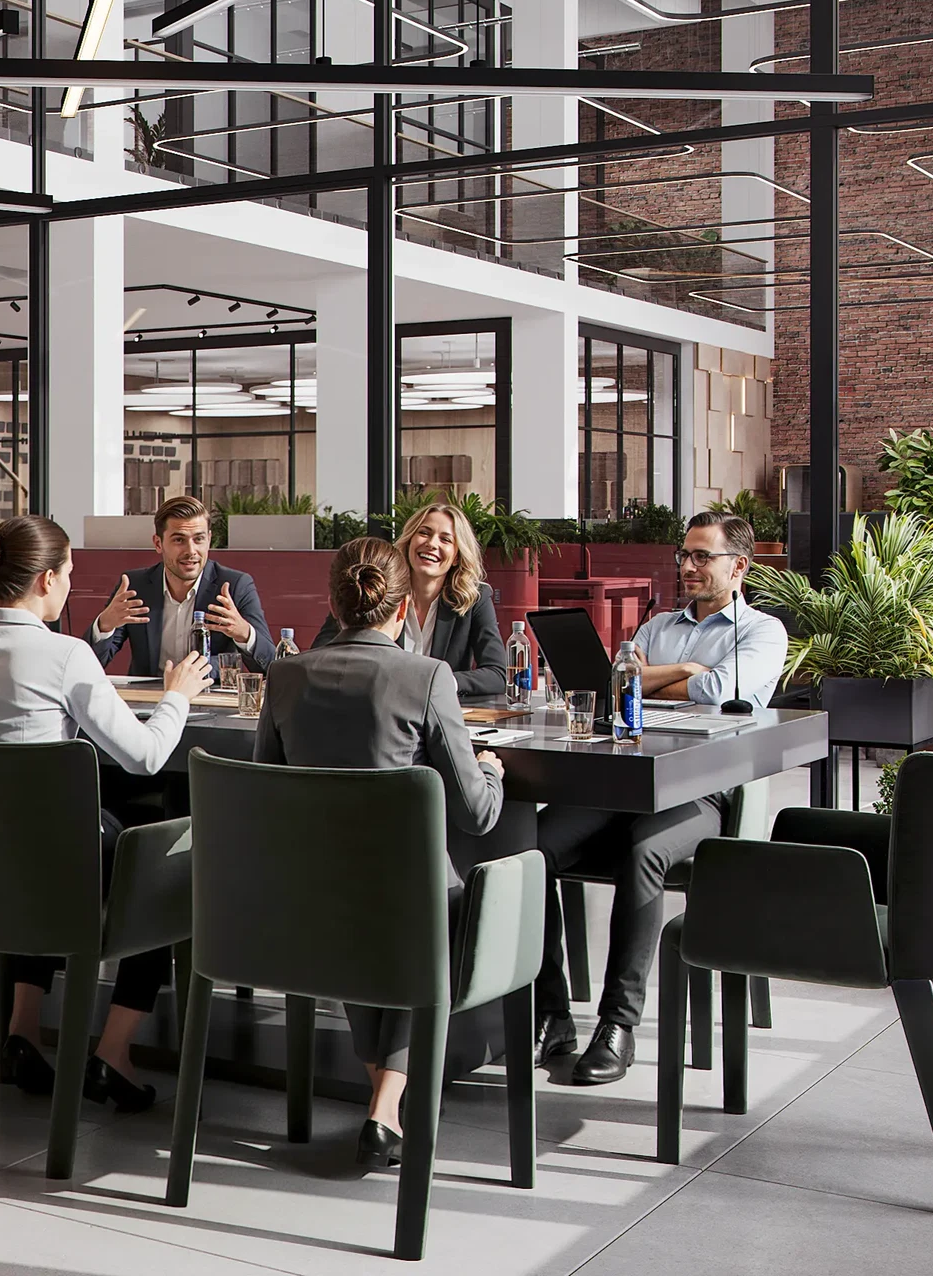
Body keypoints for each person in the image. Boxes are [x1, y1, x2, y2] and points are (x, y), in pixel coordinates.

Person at [0, 514, 212, 1114]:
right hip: (51, 866)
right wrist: (178, 696)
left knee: (46, 832)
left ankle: (23, 1032)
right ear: (48, 580)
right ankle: (113, 1050)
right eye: (70, 578)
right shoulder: (65, 654)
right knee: (164, 862)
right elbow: (145, 757)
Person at [255, 537, 506, 1171]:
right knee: (414, 901)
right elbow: (476, 815)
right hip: (402, 906)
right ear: (400, 613)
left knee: (363, 906)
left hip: (306, 896)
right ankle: (386, 1106)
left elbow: (266, 795)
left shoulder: (284, 675)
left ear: (333, 606)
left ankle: (384, 1101)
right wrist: (492, 770)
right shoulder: (425, 676)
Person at [533, 510, 789, 1085]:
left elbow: (717, 690)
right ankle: (550, 1014)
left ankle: (617, 1026)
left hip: (703, 792)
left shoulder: (762, 632)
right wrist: (681, 671)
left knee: (643, 852)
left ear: (739, 567)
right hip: (627, 783)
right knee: (534, 846)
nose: (689, 566)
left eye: (704, 556)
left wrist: (655, 678)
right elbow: (616, 684)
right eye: (686, 554)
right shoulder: (656, 627)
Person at [310, 499, 507, 696]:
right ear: (409, 541)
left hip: (438, 713)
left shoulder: (475, 598)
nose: (431, 544)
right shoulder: (374, 588)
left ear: (456, 556)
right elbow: (318, 657)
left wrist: (440, 682)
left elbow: (496, 674)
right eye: (424, 533)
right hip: (376, 705)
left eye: (445, 539)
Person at [82, 495, 275, 678]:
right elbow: (89, 666)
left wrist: (244, 633)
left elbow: (271, 666)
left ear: (209, 539)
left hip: (211, 702)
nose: (191, 551)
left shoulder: (235, 586)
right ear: (158, 544)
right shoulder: (135, 586)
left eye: (198, 539)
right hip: (148, 702)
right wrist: (104, 625)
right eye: (179, 540)